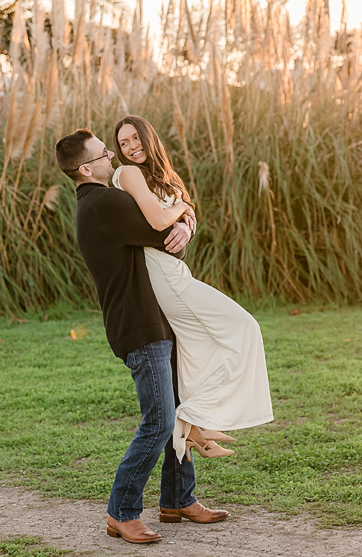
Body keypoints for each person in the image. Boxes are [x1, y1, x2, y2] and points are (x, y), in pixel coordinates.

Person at [55, 128, 229, 545]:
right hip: (139, 325)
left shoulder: (103, 201)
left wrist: (183, 223)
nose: (112, 156)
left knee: (177, 412)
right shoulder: (104, 203)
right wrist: (185, 212)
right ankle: (122, 512)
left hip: (156, 319)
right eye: (103, 153)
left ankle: (178, 499)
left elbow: (167, 236)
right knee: (160, 420)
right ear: (85, 169)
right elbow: (165, 236)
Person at [112, 115, 274, 464]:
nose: (131, 147)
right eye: (123, 143)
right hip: (164, 274)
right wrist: (184, 208)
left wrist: (187, 224)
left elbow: (177, 223)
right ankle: (189, 417)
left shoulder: (162, 175)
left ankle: (194, 427)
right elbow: (159, 220)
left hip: (173, 269)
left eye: (135, 138)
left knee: (197, 349)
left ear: (148, 136)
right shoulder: (127, 173)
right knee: (244, 327)